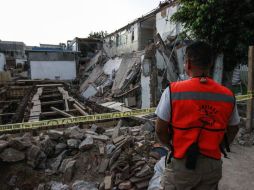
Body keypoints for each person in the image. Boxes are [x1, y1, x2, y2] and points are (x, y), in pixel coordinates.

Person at [155, 41, 240, 190]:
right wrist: (219, 146)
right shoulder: (227, 95)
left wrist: (171, 146)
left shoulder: (173, 91)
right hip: (212, 166)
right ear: (210, 64)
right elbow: (234, 128)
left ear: (187, 64)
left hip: (181, 164)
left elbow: (160, 130)